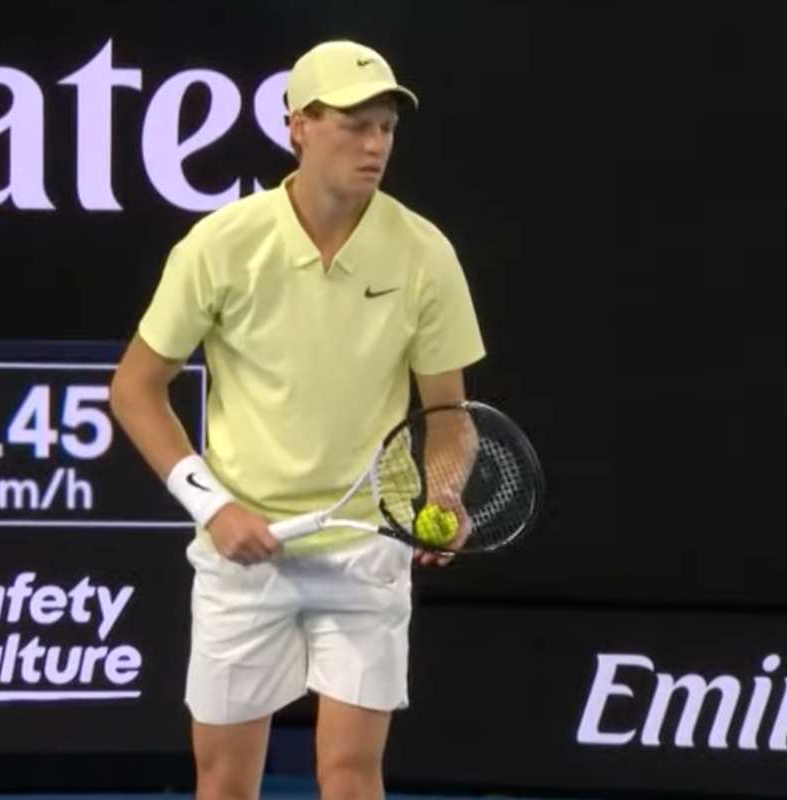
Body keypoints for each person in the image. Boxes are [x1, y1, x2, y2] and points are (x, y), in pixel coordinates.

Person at [110, 39, 485, 800]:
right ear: (298, 127)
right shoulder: (221, 245)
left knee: (350, 774)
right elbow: (134, 389)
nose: (375, 145)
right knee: (224, 780)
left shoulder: (424, 253)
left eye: (386, 128)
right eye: (354, 125)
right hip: (244, 553)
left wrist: (443, 491)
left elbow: (447, 413)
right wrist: (214, 509)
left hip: (367, 549)